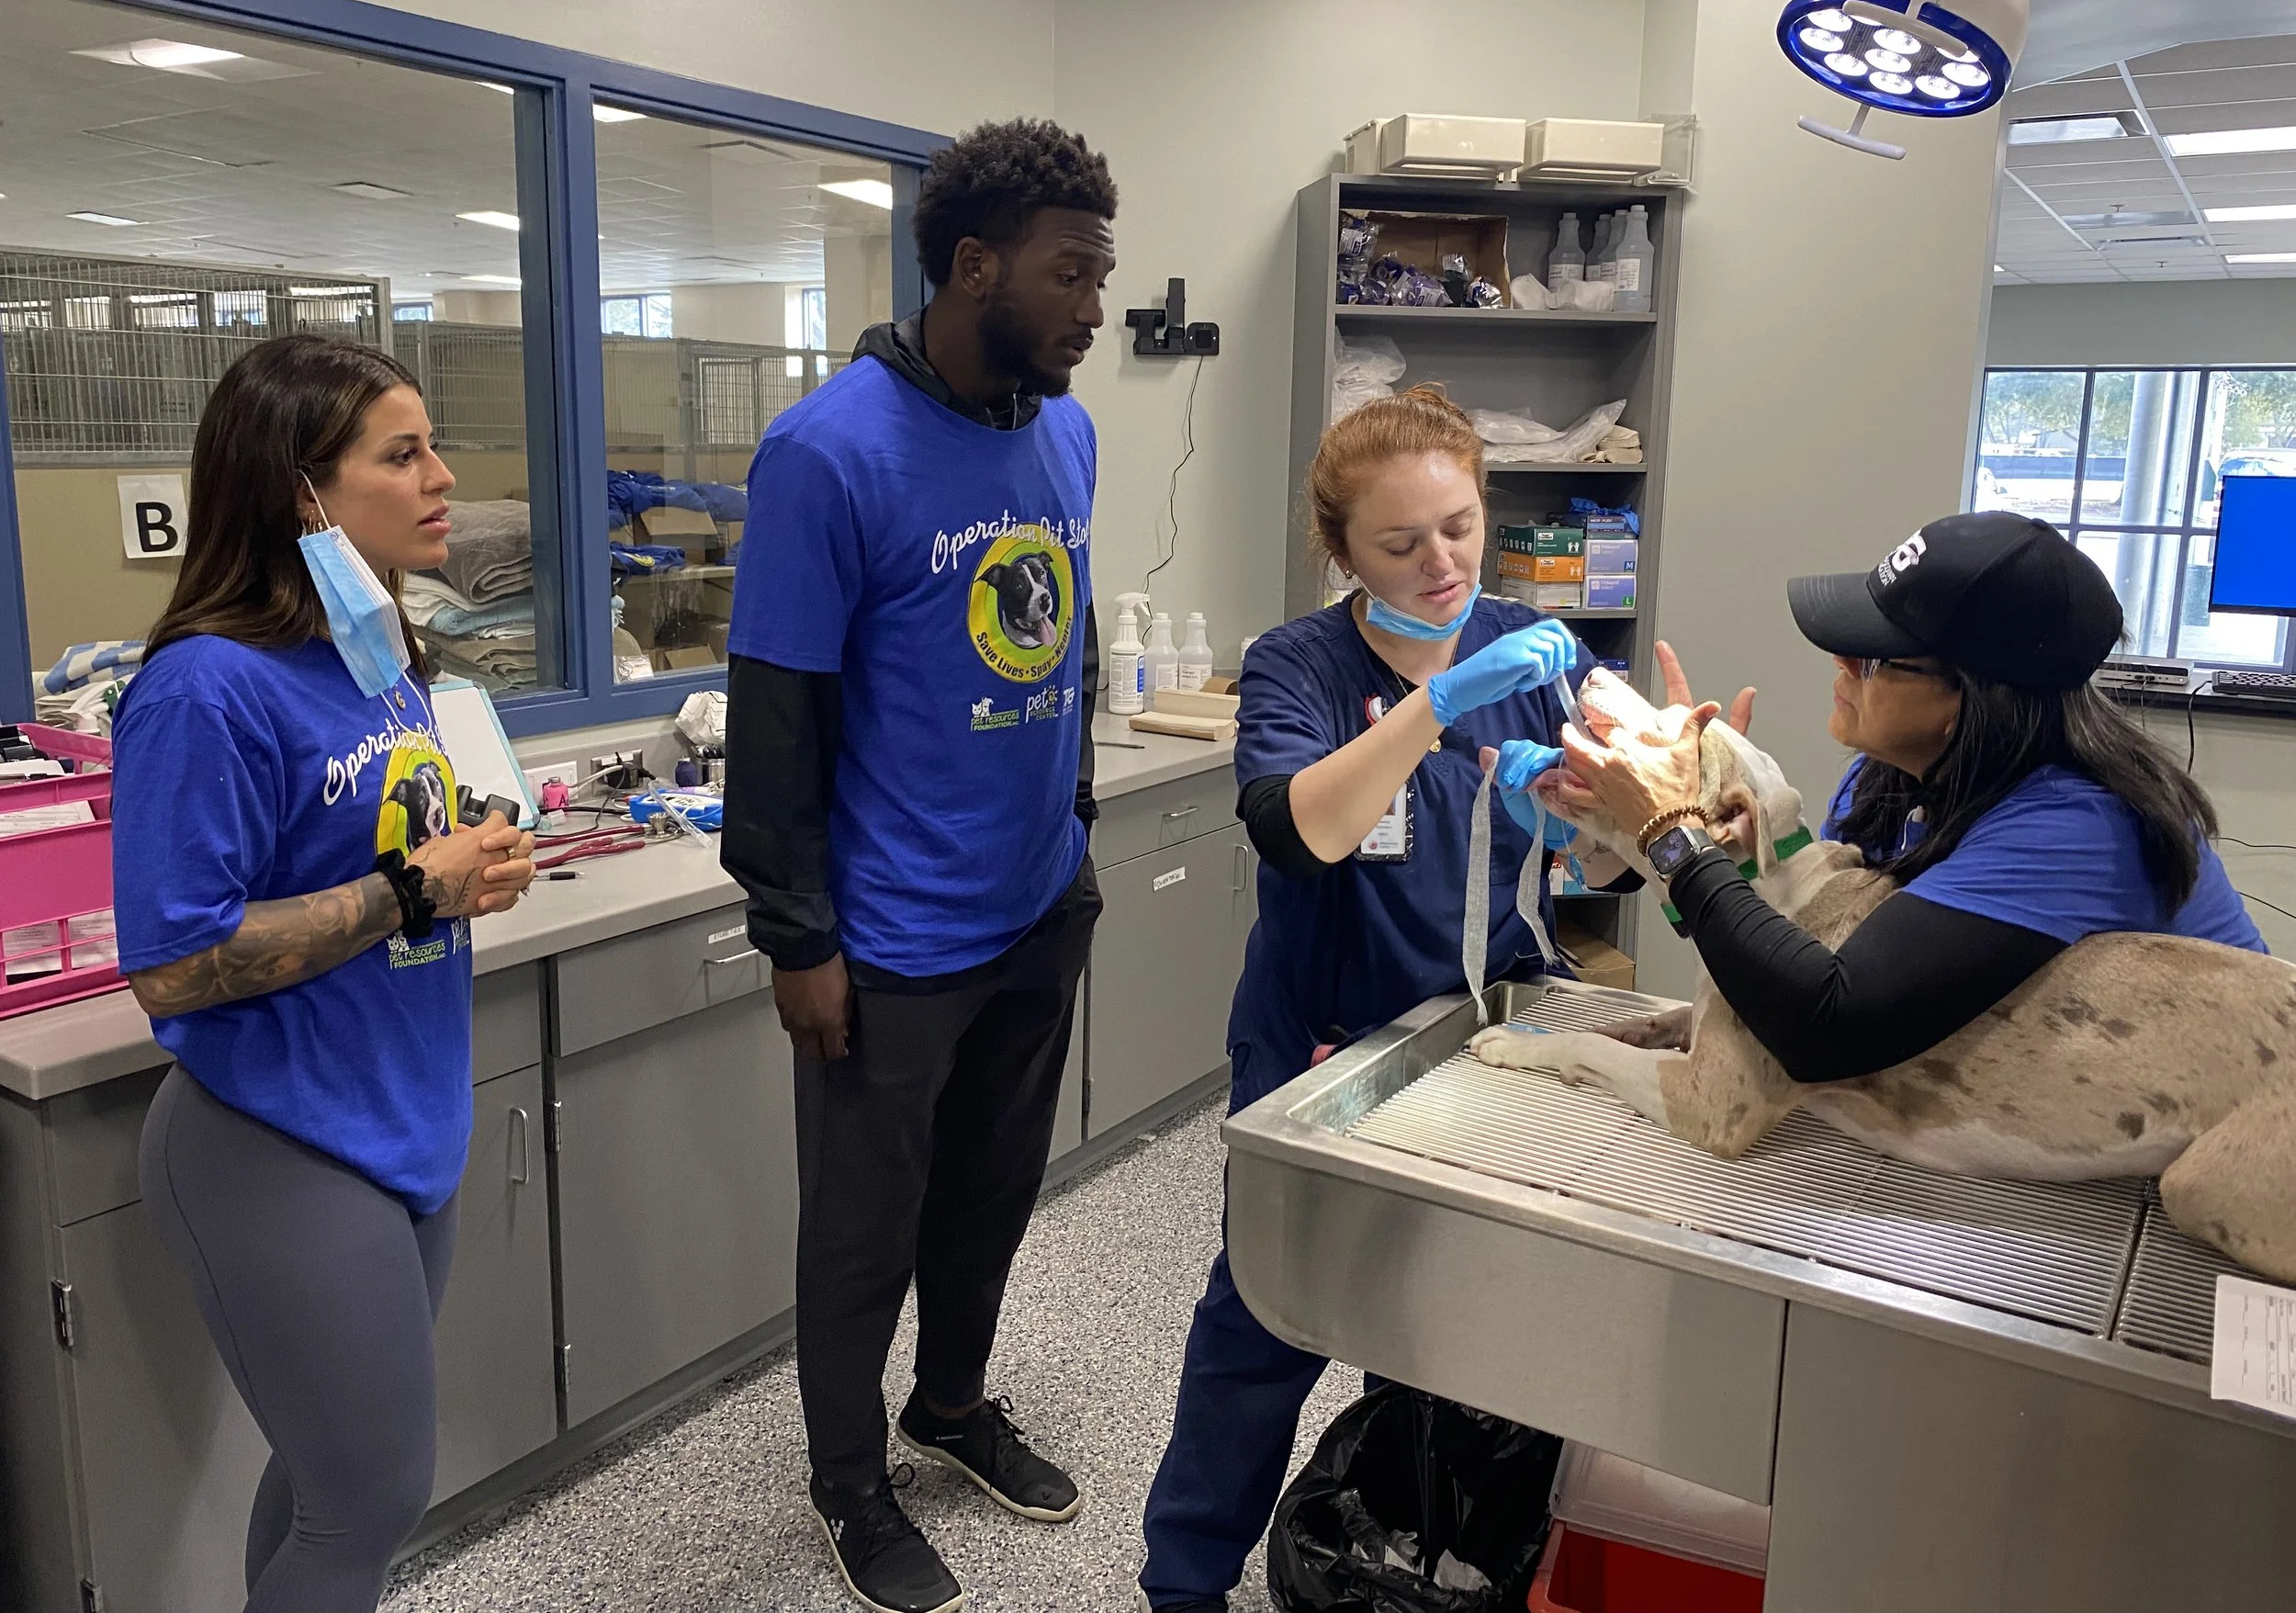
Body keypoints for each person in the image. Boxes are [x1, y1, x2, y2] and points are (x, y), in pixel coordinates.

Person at [720, 118, 1118, 1613]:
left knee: (993, 1195)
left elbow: (1063, 642)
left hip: (1033, 905)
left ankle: (947, 1411)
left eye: (1100, 272)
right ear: (973, 265)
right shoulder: (828, 454)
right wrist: (796, 936)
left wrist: (1070, 825)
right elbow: (777, 719)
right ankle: (847, 1484)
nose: (1093, 305)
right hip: (889, 939)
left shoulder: (1063, 433)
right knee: (862, 1233)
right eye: (1070, 273)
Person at [1137, 387, 1598, 1613]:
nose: (1443, 563)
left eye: (1461, 525)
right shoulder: (1301, 665)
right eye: (1402, 543)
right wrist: (1434, 707)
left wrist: (1601, 815)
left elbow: (1607, 861)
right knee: (1268, 1321)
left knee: (1472, 1307)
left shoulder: (1538, 651)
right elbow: (1305, 829)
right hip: (1324, 1048)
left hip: (1497, 1035)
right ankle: (1183, 1580)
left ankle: (1427, 1541)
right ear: (1342, 551)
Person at [113, 334, 536, 1613]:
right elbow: (176, 965)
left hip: (406, 1118)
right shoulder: (204, 688)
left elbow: (367, 834)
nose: (442, 477)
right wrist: (419, 885)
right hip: (277, 1137)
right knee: (371, 1498)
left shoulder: (374, 659)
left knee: (329, 1484)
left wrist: (471, 851)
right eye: (400, 454)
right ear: (303, 490)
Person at [1555, 510, 2266, 1088]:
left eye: (1873, 656)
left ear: (1974, 697)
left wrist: (1672, 832)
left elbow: (1826, 1028)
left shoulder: (2078, 828)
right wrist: (1714, 823)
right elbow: (1785, 964)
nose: (1840, 663)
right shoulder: (1893, 781)